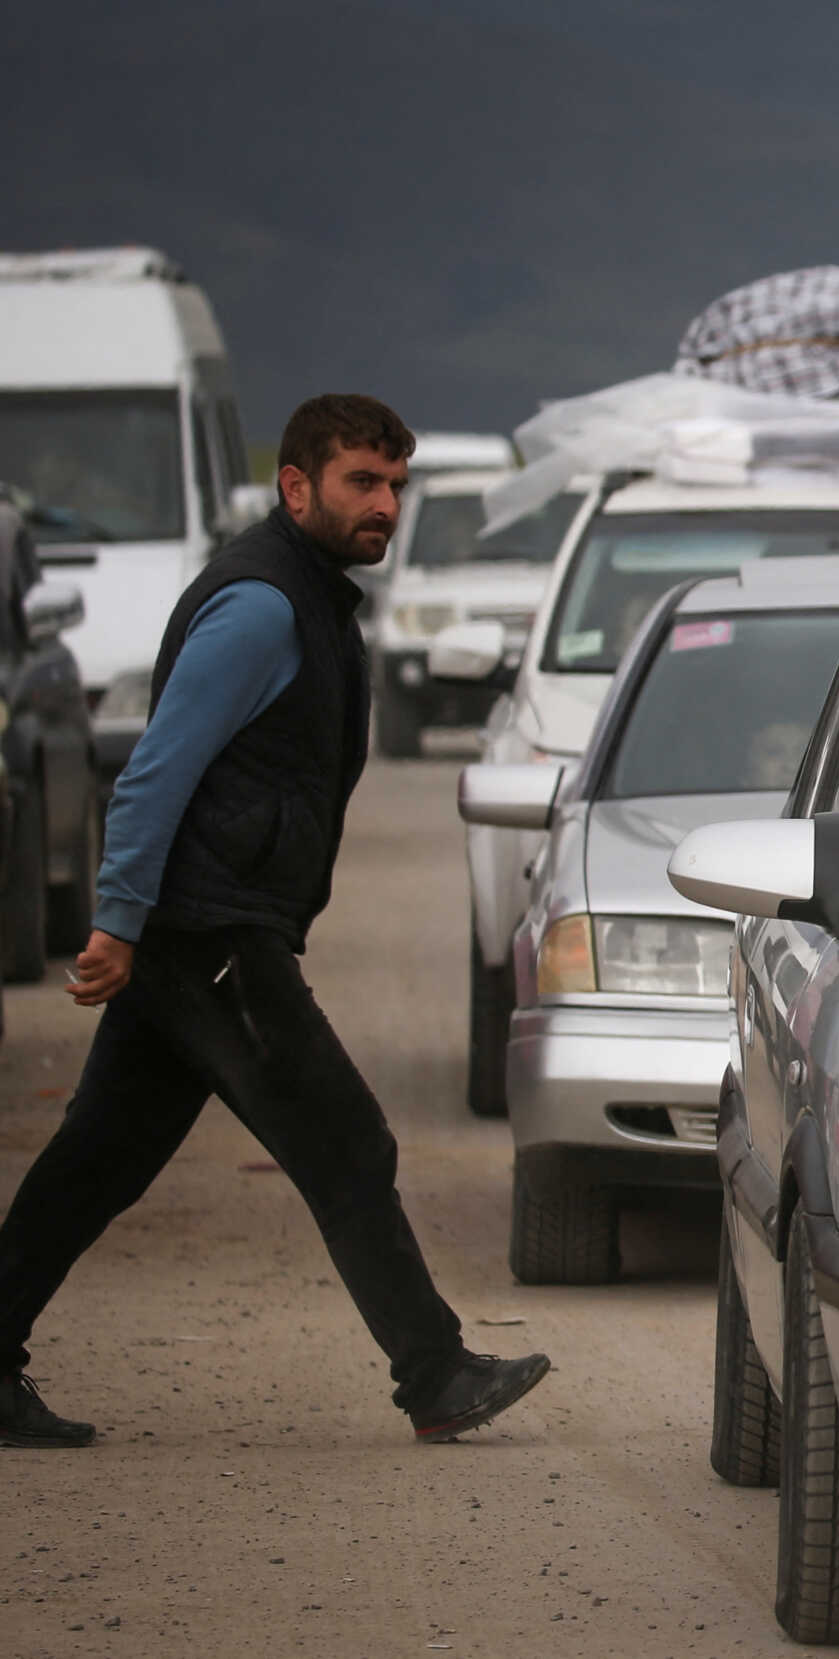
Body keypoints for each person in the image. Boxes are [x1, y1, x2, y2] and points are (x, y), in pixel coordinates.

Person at [0, 395, 550, 1448]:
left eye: (395, 484)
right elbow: (158, 765)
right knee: (344, 1142)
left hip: (203, 923)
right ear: (296, 486)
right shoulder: (260, 605)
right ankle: (435, 1375)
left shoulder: (309, 596)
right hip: (206, 931)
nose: (384, 504)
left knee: (94, 1165)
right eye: (361, 482)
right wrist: (118, 917)